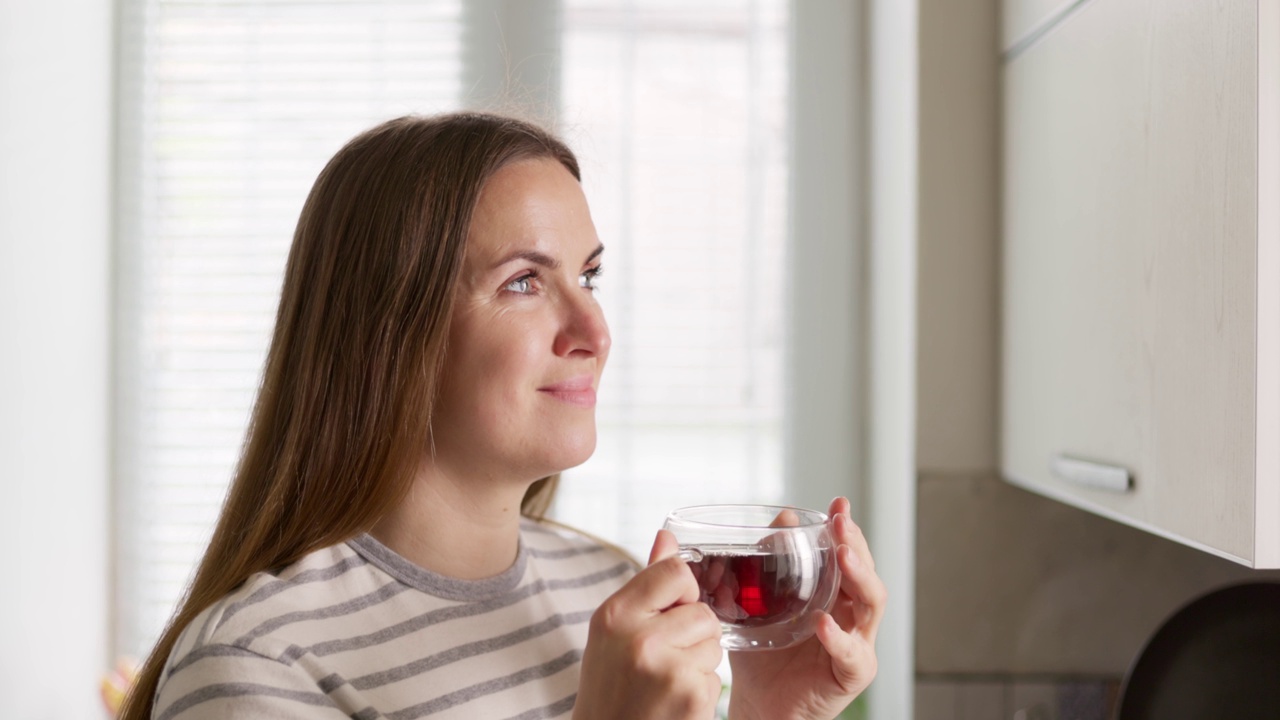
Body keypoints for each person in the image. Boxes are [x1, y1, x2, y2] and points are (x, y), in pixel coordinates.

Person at [119, 112, 886, 720]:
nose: (595, 334)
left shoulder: (610, 590)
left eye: (590, 275)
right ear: (389, 332)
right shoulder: (252, 669)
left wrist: (765, 713)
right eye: (524, 282)